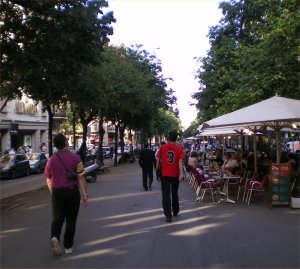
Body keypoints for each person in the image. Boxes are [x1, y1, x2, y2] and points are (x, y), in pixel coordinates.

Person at [44, 133, 88, 256]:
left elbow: (48, 179)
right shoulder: (76, 158)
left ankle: (54, 237)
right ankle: (68, 246)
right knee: (71, 219)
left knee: (57, 219)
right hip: (72, 192)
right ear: (66, 143)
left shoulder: (51, 160)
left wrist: (53, 193)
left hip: (57, 192)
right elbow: (81, 177)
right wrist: (84, 194)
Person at [156, 131, 184, 223]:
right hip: (175, 174)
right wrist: (181, 174)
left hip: (164, 174)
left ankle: (168, 215)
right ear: (176, 138)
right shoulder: (179, 149)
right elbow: (180, 162)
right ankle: (175, 210)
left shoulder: (162, 148)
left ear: (168, 138)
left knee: (166, 195)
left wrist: (157, 171)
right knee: (174, 193)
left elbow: (158, 160)